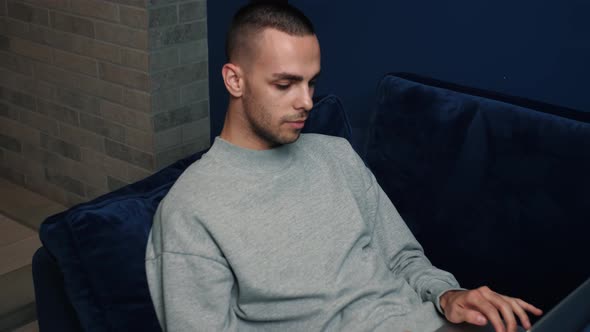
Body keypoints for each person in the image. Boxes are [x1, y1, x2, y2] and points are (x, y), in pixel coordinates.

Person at [145, 2, 542, 331]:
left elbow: (404, 259)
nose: (305, 101)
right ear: (235, 80)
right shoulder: (190, 210)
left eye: (311, 83)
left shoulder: (335, 154)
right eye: (285, 84)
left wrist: (448, 295)